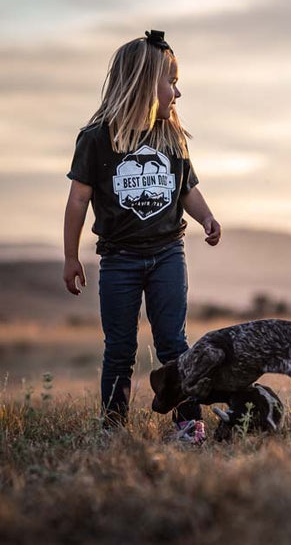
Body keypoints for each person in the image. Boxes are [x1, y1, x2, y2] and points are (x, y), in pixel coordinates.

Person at [62, 30, 221, 443]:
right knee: (119, 349)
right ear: (144, 83)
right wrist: (70, 256)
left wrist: (205, 217)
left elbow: (187, 189)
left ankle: (189, 424)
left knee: (173, 343)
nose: (178, 92)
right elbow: (78, 200)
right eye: (172, 82)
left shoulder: (172, 138)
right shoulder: (96, 140)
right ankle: (113, 428)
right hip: (119, 260)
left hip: (168, 254)